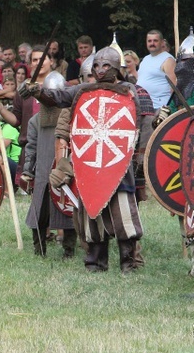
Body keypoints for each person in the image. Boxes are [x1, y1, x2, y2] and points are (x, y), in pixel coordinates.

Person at [22, 46, 144, 273]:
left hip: (117, 165)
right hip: (90, 166)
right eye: (96, 65)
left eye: (106, 65)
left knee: (123, 217)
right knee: (93, 215)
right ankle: (95, 262)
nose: (100, 70)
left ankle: (129, 263)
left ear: (116, 67)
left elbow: (132, 125)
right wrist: (37, 92)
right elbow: (57, 97)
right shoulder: (83, 91)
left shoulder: (128, 91)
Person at [19, 71, 77, 258]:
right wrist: (28, 170)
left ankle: (69, 250)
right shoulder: (36, 120)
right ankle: (39, 249)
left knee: (68, 211)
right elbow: (31, 147)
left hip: (64, 171)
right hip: (43, 172)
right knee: (39, 214)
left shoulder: (71, 118)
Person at [137, 29, 177, 110]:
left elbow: (175, 86)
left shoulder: (168, 59)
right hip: (143, 106)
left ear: (162, 42)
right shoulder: (145, 59)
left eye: (155, 41)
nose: (152, 43)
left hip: (159, 107)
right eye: (149, 41)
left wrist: (171, 108)